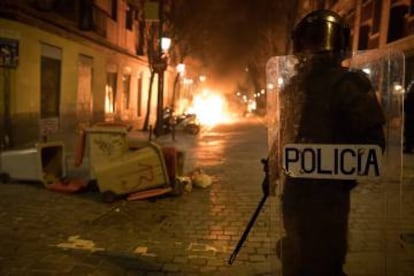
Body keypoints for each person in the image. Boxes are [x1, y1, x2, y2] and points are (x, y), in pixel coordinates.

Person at [275, 9, 386, 276]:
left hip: (327, 196)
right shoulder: (294, 86)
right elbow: (287, 132)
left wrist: (336, 172)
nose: (316, 50)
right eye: (311, 41)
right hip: (296, 191)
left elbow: (372, 146)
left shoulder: (350, 84)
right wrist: (273, 164)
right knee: (296, 259)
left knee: (326, 261)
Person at [404, 83, 414, 153]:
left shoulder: (409, 96)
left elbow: (405, 106)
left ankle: (408, 148)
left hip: (410, 117)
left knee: (409, 133)